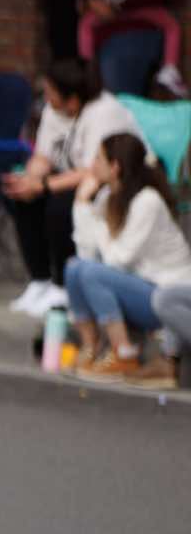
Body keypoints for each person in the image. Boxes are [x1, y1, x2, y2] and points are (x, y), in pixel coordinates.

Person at [1, 57, 144, 318]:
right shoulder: (53, 110)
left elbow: (94, 170)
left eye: (50, 93)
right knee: (23, 197)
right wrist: (28, 181)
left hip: (114, 181)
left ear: (73, 100)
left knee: (59, 205)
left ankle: (61, 285)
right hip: (75, 177)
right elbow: (43, 156)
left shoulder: (104, 113)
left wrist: (43, 186)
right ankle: (40, 280)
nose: (46, 98)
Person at [63, 131, 191, 383]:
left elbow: (117, 260)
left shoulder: (147, 201)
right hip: (140, 286)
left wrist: (87, 210)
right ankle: (90, 346)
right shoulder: (108, 198)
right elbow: (86, 253)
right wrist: (81, 204)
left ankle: (123, 353)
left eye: (98, 159)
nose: (92, 166)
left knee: (90, 272)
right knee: (74, 267)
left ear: (115, 167)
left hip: (167, 295)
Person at [78, 0, 183, 96]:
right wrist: (90, 0)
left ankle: (169, 70)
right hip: (108, 29)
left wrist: (118, 7)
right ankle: (85, 67)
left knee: (122, 101)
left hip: (133, 31)